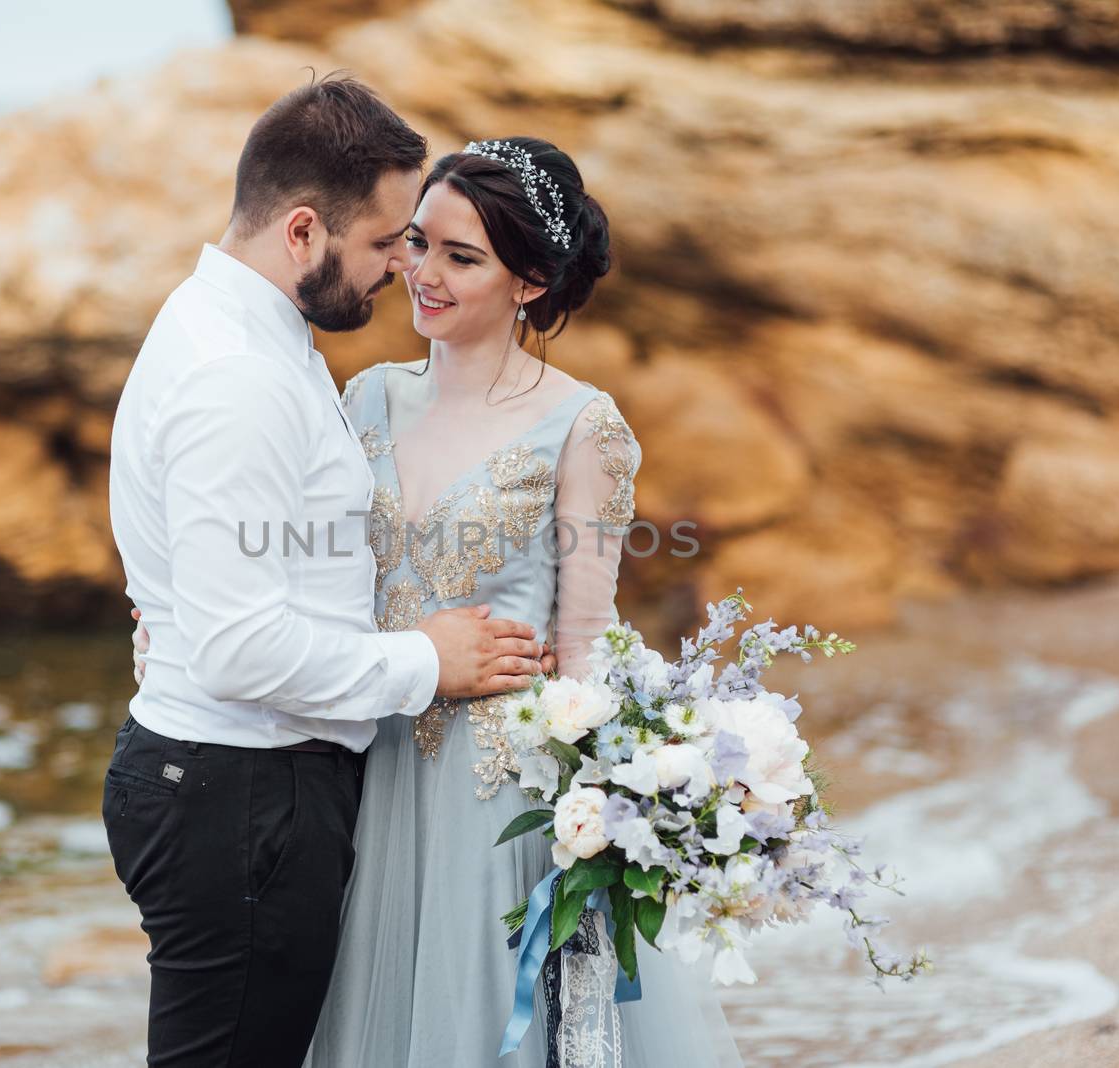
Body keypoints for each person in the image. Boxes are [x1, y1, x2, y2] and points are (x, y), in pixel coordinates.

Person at [136, 135, 744, 1065]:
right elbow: (294, 559)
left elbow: (587, 639)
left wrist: (608, 810)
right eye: (416, 243)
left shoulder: (584, 426)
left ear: (530, 283)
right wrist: (181, 621)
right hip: (365, 765)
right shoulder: (365, 397)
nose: (421, 273)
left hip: (497, 797)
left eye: (462, 258)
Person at [104, 76, 556, 1068]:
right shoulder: (242, 381)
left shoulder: (238, 333)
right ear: (303, 231)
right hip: (242, 797)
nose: (403, 265)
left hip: (229, 782)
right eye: (388, 240)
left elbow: (236, 573)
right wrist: (425, 662)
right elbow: (238, 649)